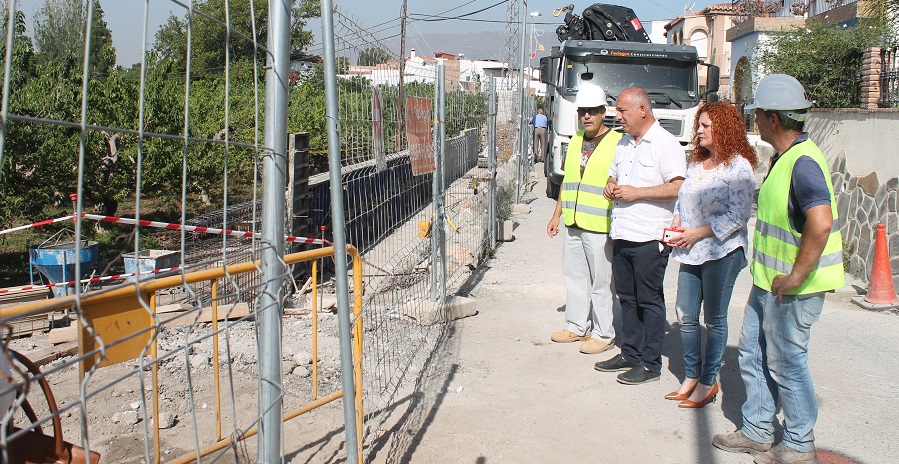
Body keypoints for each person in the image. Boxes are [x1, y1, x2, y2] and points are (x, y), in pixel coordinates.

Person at [713, 74, 844, 464]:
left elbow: (820, 223)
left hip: (793, 288)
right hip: (770, 283)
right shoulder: (786, 157)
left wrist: (797, 276)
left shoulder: (803, 164)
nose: (754, 119)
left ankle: (800, 444)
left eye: (757, 114)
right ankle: (757, 430)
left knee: (787, 362)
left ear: (772, 118)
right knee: (752, 352)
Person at [664, 102, 757, 409]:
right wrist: (678, 220)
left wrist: (697, 232)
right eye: (699, 125)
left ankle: (708, 381)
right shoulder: (696, 164)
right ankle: (690, 376)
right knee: (685, 315)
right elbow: (683, 198)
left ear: (724, 128)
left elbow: (738, 216)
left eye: (705, 126)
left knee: (714, 319)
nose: (699, 130)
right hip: (690, 249)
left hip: (723, 250)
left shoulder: (739, 167)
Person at [593, 87, 685, 385]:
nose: (616, 116)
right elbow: (613, 175)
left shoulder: (665, 144)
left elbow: (677, 186)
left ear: (642, 110)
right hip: (623, 234)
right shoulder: (623, 144)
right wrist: (611, 184)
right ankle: (629, 353)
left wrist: (637, 193)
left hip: (649, 238)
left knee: (649, 301)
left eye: (622, 111)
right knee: (627, 299)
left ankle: (650, 363)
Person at [547, 83, 622, 355]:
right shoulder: (576, 139)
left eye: (592, 111)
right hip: (573, 222)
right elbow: (569, 181)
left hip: (599, 226)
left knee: (601, 282)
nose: (586, 116)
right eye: (582, 112)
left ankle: (604, 333)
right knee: (575, 277)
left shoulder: (617, 143)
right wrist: (557, 215)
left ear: (604, 113)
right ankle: (577, 326)